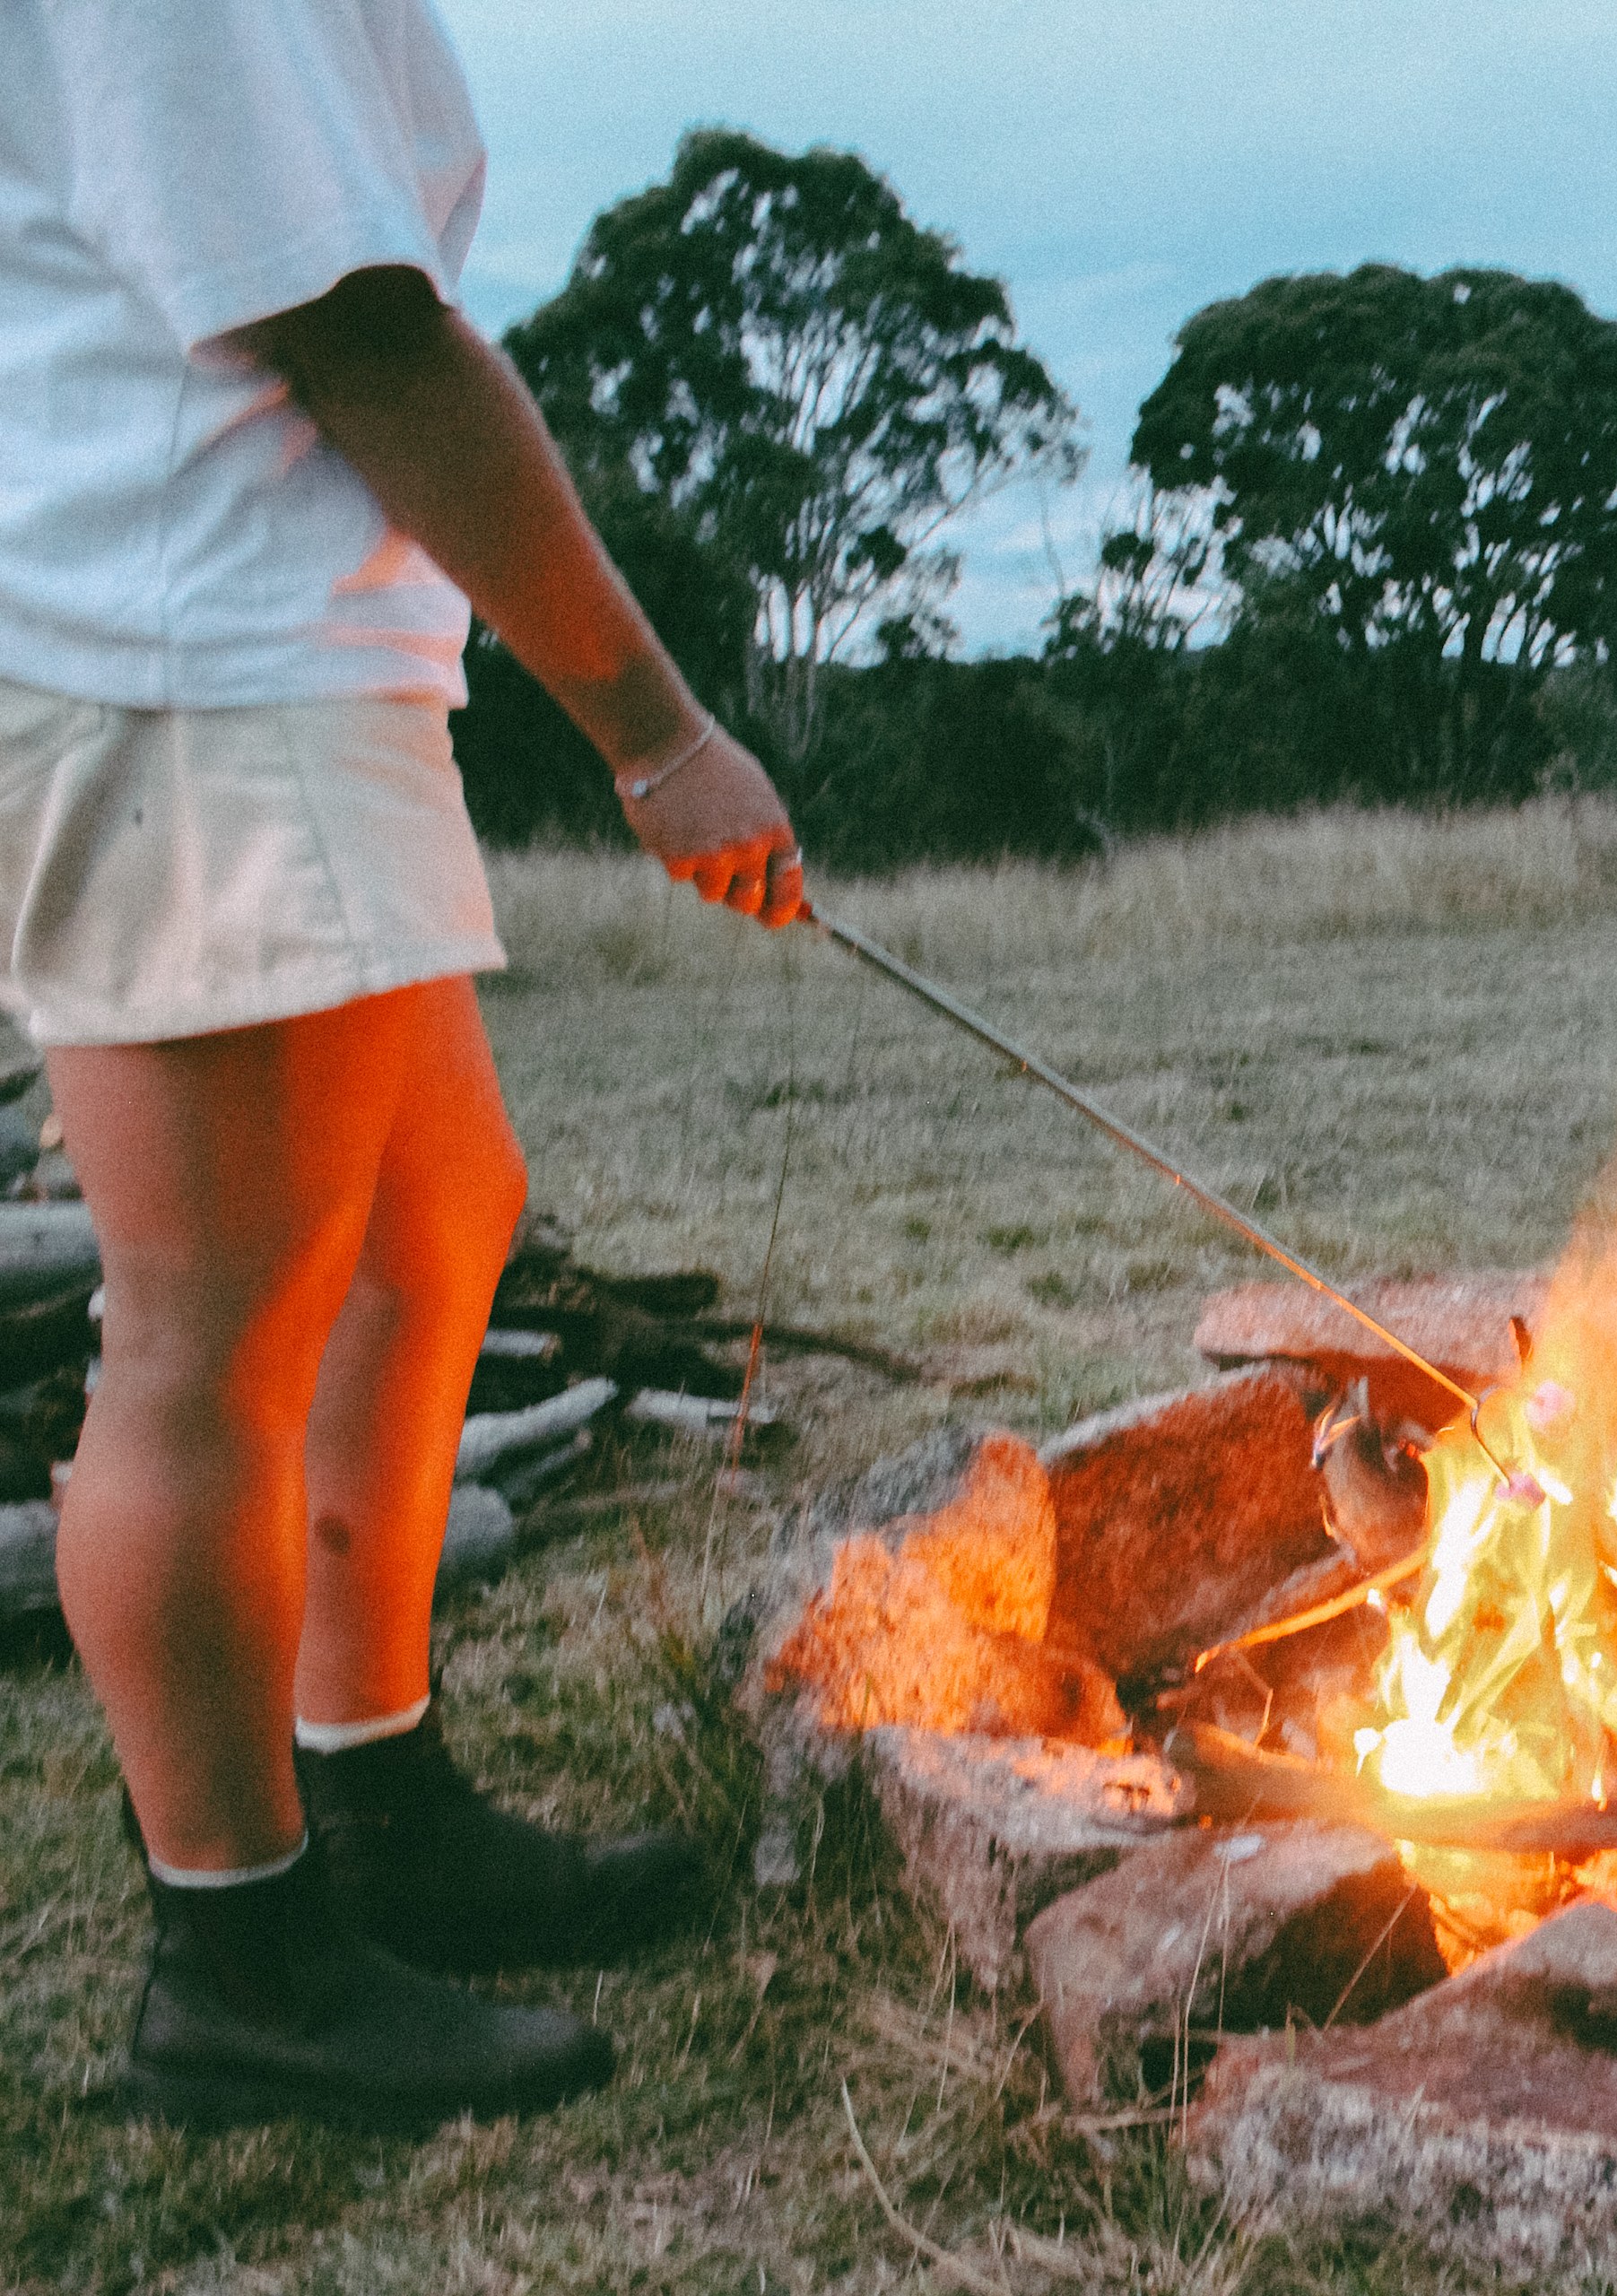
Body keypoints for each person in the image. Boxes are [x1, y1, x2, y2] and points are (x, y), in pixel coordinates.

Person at [2, 2, 804, 2131]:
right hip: (176, 653)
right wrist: (650, 725)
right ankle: (236, 1962)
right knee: (206, 1331)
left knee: (431, 1223)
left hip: (289, 646)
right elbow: (361, 332)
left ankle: (375, 1796)